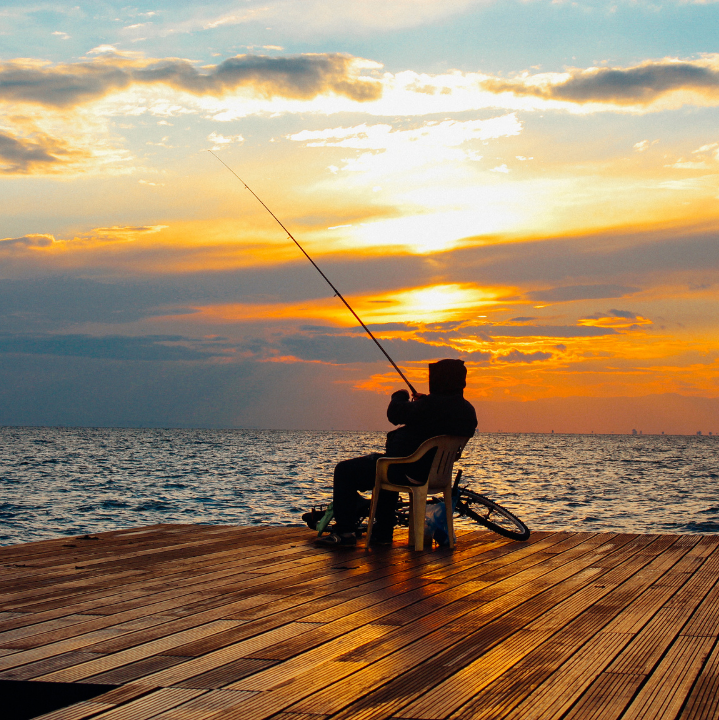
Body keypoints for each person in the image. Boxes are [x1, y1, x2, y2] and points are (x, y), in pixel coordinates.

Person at [316, 358, 478, 547]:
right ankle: (382, 533)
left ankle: (344, 533)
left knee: (344, 470)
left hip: (408, 471)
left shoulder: (429, 406)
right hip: (434, 476)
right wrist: (424, 401)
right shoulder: (467, 410)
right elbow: (438, 414)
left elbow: (395, 414)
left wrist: (399, 396)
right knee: (389, 463)